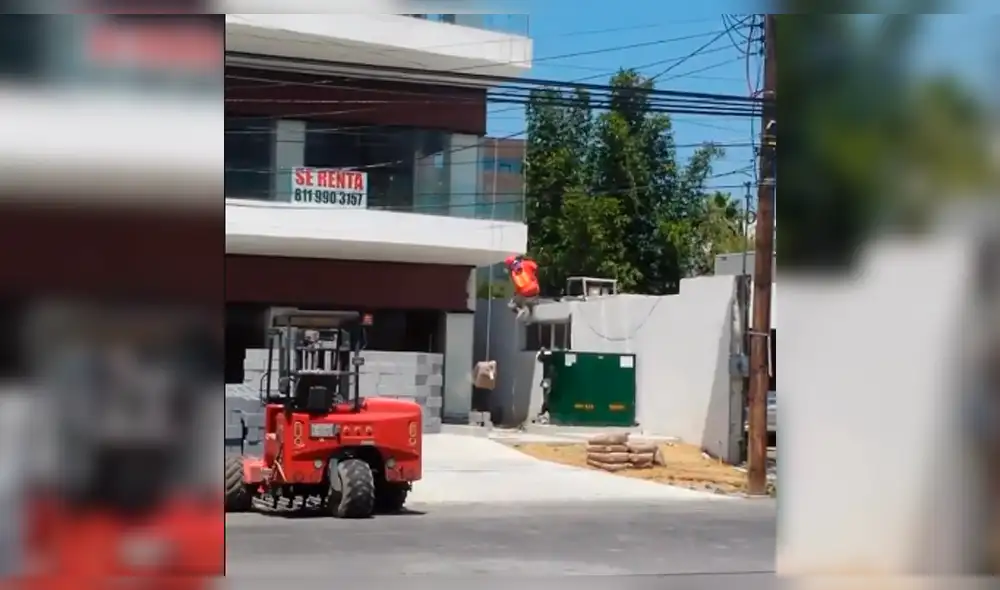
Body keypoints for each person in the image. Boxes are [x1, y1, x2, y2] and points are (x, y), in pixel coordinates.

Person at [504, 254, 540, 319]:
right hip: (535, 288)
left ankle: (520, 310)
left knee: (512, 303)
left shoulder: (513, 273)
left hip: (525, 293)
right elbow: (535, 267)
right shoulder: (526, 263)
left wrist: (516, 294)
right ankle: (530, 313)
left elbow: (518, 287)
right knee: (529, 300)